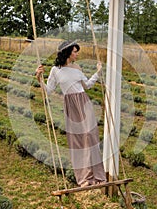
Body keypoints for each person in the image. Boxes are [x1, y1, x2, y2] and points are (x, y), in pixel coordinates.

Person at [36, 40, 106, 187]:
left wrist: (98, 73)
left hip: (84, 102)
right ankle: (84, 179)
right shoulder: (56, 70)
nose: (77, 54)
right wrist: (39, 79)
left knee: (90, 137)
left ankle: (98, 176)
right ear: (67, 53)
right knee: (77, 141)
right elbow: (49, 90)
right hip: (70, 105)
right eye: (75, 51)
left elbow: (86, 85)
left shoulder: (77, 67)